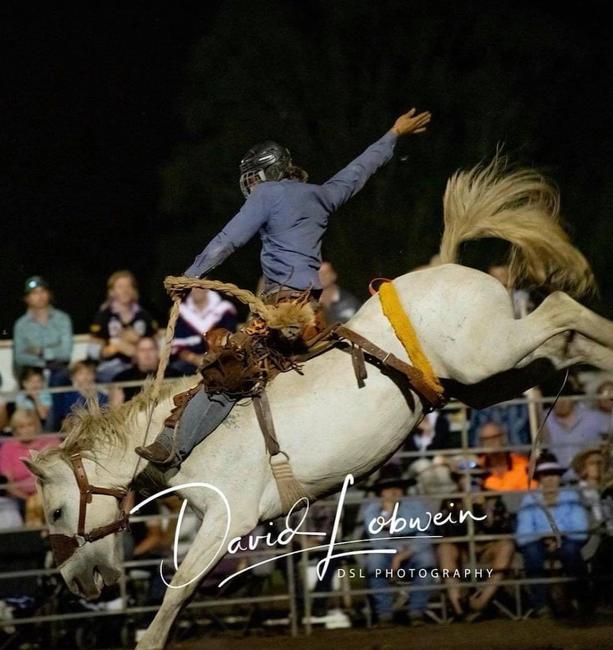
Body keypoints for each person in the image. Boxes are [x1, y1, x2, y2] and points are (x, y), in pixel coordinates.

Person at [136, 107, 432, 466]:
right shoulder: (321, 194)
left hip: (281, 311)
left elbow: (227, 240)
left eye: (252, 177)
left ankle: (173, 445)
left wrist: (190, 276)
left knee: (226, 369)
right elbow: (357, 172)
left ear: (265, 174)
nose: (251, 185)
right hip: (312, 312)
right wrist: (392, 136)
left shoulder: (267, 195)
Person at [436, 457, 514, 620]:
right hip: (462, 551)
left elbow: (504, 529)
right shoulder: (450, 501)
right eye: (466, 477)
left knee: (506, 546)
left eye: (475, 476)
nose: (471, 481)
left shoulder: (493, 498)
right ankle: (457, 605)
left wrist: (484, 513)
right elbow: (446, 532)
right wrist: (465, 511)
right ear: (458, 480)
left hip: (488, 549)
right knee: (444, 548)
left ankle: (481, 601)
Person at [516, 452, 590, 616]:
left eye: (553, 474)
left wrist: (559, 536)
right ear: (539, 478)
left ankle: (581, 599)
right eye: (545, 475)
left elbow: (581, 528)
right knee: (532, 552)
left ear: (559, 477)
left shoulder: (571, 497)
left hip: (567, 539)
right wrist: (544, 537)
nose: (550, 479)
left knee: (571, 551)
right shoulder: (530, 499)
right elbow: (523, 534)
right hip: (539, 542)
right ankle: (541, 604)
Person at [362, 464, 435, 626]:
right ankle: (384, 614)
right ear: (380, 491)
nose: (393, 492)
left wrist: (402, 556)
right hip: (385, 555)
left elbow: (425, 535)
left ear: (403, 489)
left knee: (427, 560)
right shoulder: (372, 510)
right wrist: (387, 515)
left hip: (412, 554)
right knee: (375, 561)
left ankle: (417, 612)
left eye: (397, 487)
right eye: (388, 488)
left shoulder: (416, 506)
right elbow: (376, 541)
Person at [572, 447, 613, 601]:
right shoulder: (576, 494)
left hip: (611, 538)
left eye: (601, 462)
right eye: (593, 463)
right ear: (583, 469)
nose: (599, 466)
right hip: (589, 541)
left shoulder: (611, 493)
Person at [88, 270, 158, 382]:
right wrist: (116, 348)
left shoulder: (144, 316)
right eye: (120, 287)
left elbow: (156, 346)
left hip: (141, 367)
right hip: (112, 368)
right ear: (112, 292)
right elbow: (92, 352)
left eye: (128, 286)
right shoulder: (103, 316)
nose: (125, 291)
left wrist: (137, 342)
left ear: (134, 290)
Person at [12, 276, 73, 386]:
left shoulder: (62, 318)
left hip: (57, 369)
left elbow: (66, 353)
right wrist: (44, 362)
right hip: (33, 369)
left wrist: (41, 352)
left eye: (43, 291)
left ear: (49, 294)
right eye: (34, 293)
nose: (40, 296)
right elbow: (20, 357)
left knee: (61, 377)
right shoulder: (21, 324)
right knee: (32, 380)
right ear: (27, 298)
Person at [543, 385, 610, 480]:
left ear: (574, 399)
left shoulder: (593, 418)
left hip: (588, 482)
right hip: (558, 484)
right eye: (557, 398)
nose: (561, 402)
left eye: (566, 398)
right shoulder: (544, 419)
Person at [170, 288, 238, 376]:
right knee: (174, 370)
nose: (196, 290)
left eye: (200, 286)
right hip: (190, 362)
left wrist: (211, 359)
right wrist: (194, 359)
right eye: (193, 286)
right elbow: (178, 346)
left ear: (207, 285)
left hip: (220, 360)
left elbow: (231, 341)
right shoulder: (181, 312)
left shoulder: (225, 309)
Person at [0, 410, 59, 503]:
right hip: (19, 499)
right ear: (15, 430)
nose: (27, 430)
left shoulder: (51, 442)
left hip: (51, 495)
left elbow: (58, 474)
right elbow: (8, 483)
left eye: (30, 425)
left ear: (36, 426)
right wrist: (29, 500)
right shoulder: (8, 447)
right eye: (22, 427)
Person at [112, 337, 181, 403]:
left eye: (151, 349)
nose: (147, 353)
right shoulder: (122, 379)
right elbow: (115, 409)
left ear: (157, 351)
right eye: (142, 350)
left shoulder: (174, 375)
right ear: (136, 353)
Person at [48, 361, 109, 431]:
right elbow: (65, 419)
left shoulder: (102, 395)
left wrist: (92, 398)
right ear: (73, 377)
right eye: (81, 373)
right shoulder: (68, 395)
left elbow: (104, 416)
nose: (85, 377)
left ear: (94, 376)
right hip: (75, 430)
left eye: (89, 373)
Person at [478, 422, 537, 492]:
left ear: (503, 438)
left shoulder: (523, 464)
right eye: (486, 439)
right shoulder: (477, 469)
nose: (490, 442)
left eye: (494, 437)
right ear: (481, 443)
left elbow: (531, 492)